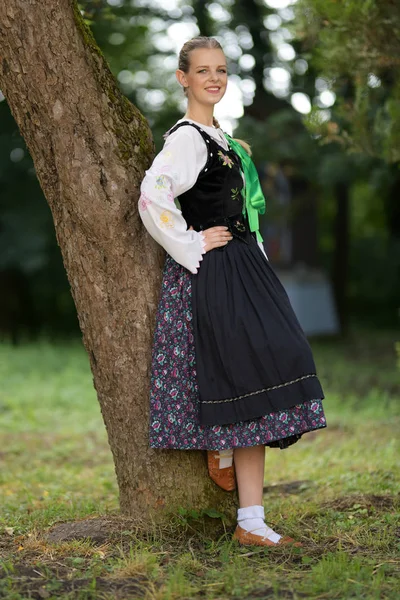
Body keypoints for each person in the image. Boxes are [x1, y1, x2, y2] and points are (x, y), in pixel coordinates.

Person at [138, 36, 326, 547]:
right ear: (183, 78)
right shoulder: (187, 140)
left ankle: (245, 505)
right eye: (202, 71)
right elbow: (152, 194)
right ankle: (248, 518)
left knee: (272, 366)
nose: (214, 79)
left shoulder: (224, 139)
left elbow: (249, 212)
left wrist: (258, 258)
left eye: (220, 69)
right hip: (214, 269)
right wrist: (190, 242)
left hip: (246, 267)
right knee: (246, 377)